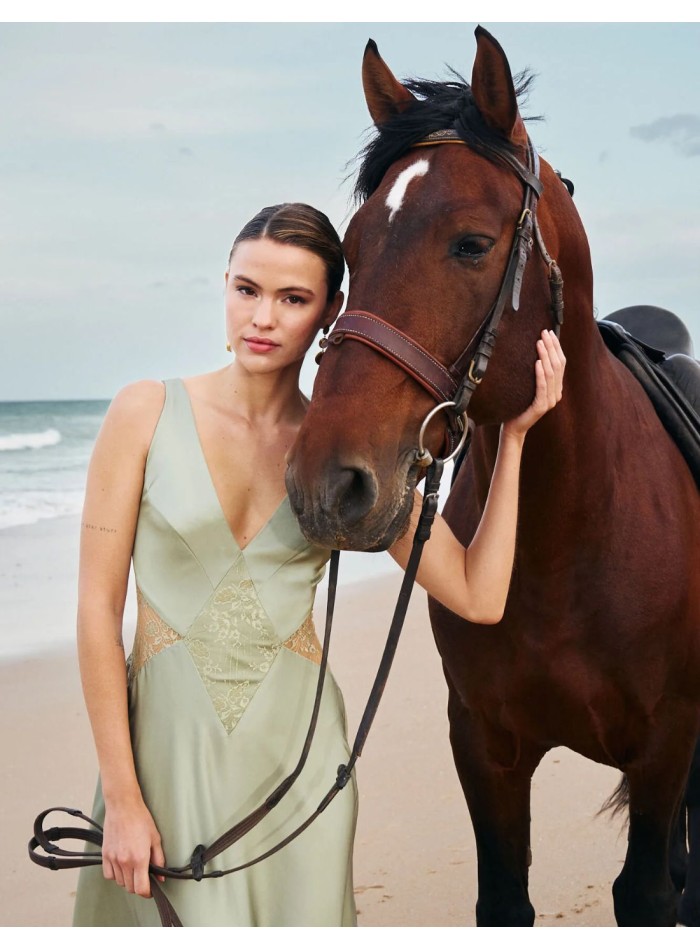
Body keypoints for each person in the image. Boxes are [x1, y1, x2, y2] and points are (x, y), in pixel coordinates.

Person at [72, 202, 565, 927]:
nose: (261, 318)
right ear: (226, 286)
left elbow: (478, 594)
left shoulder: (341, 454)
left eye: (292, 298)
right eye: (247, 290)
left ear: (332, 311)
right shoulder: (143, 413)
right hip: (159, 769)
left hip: (297, 777)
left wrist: (515, 440)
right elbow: (94, 611)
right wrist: (121, 797)